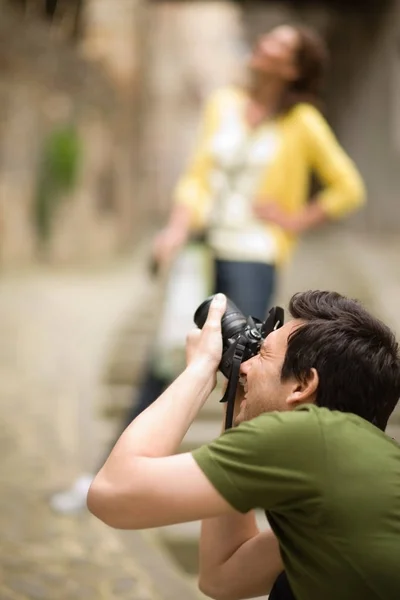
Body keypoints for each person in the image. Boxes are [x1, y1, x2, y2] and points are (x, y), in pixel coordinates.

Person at [51, 23, 366, 514]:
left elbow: (348, 186)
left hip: (253, 256)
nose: (262, 45)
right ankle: (104, 475)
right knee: (164, 361)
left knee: (248, 374)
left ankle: (247, 489)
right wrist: (175, 229)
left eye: (278, 45)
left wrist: (293, 218)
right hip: (204, 251)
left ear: (294, 68)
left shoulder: (302, 121)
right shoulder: (223, 103)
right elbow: (197, 177)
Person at [88, 291, 400, 600]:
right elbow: (223, 578)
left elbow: (113, 493)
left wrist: (199, 370)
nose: (247, 367)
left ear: (303, 385)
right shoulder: (351, 470)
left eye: (262, 353)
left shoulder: (312, 436)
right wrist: (236, 409)